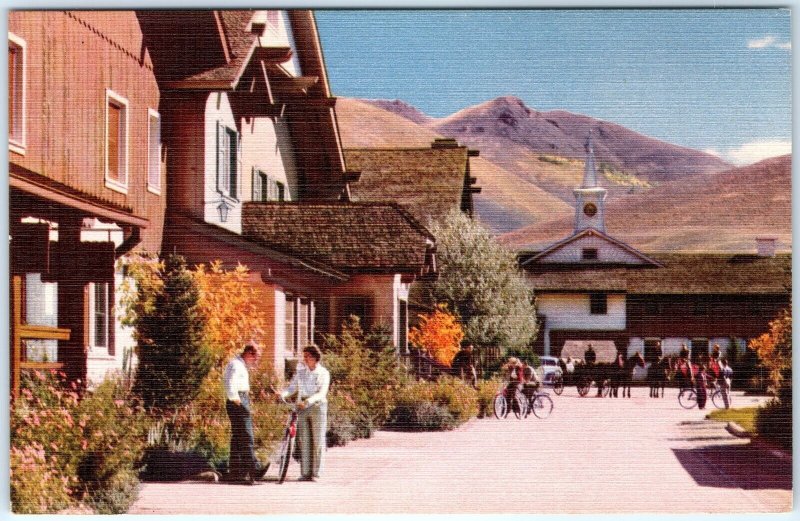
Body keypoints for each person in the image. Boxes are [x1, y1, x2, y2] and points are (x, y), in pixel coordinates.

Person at [278, 344, 330, 482]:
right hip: (302, 407)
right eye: (304, 356)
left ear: (315, 357)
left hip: (317, 407)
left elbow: (322, 393)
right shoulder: (301, 373)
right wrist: (283, 394)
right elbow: (292, 388)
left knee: (317, 440)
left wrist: (308, 402)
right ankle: (305, 472)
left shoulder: (323, 373)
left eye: (308, 356)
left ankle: (316, 473)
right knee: (304, 440)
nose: (305, 359)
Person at [223, 344, 268, 484]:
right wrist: (237, 400)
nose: (255, 361)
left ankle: (236, 472)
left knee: (237, 437)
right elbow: (229, 382)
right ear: (249, 353)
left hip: (239, 399)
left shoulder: (238, 364)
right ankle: (253, 470)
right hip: (238, 400)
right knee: (247, 436)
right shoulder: (236, 365)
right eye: (255, 358)